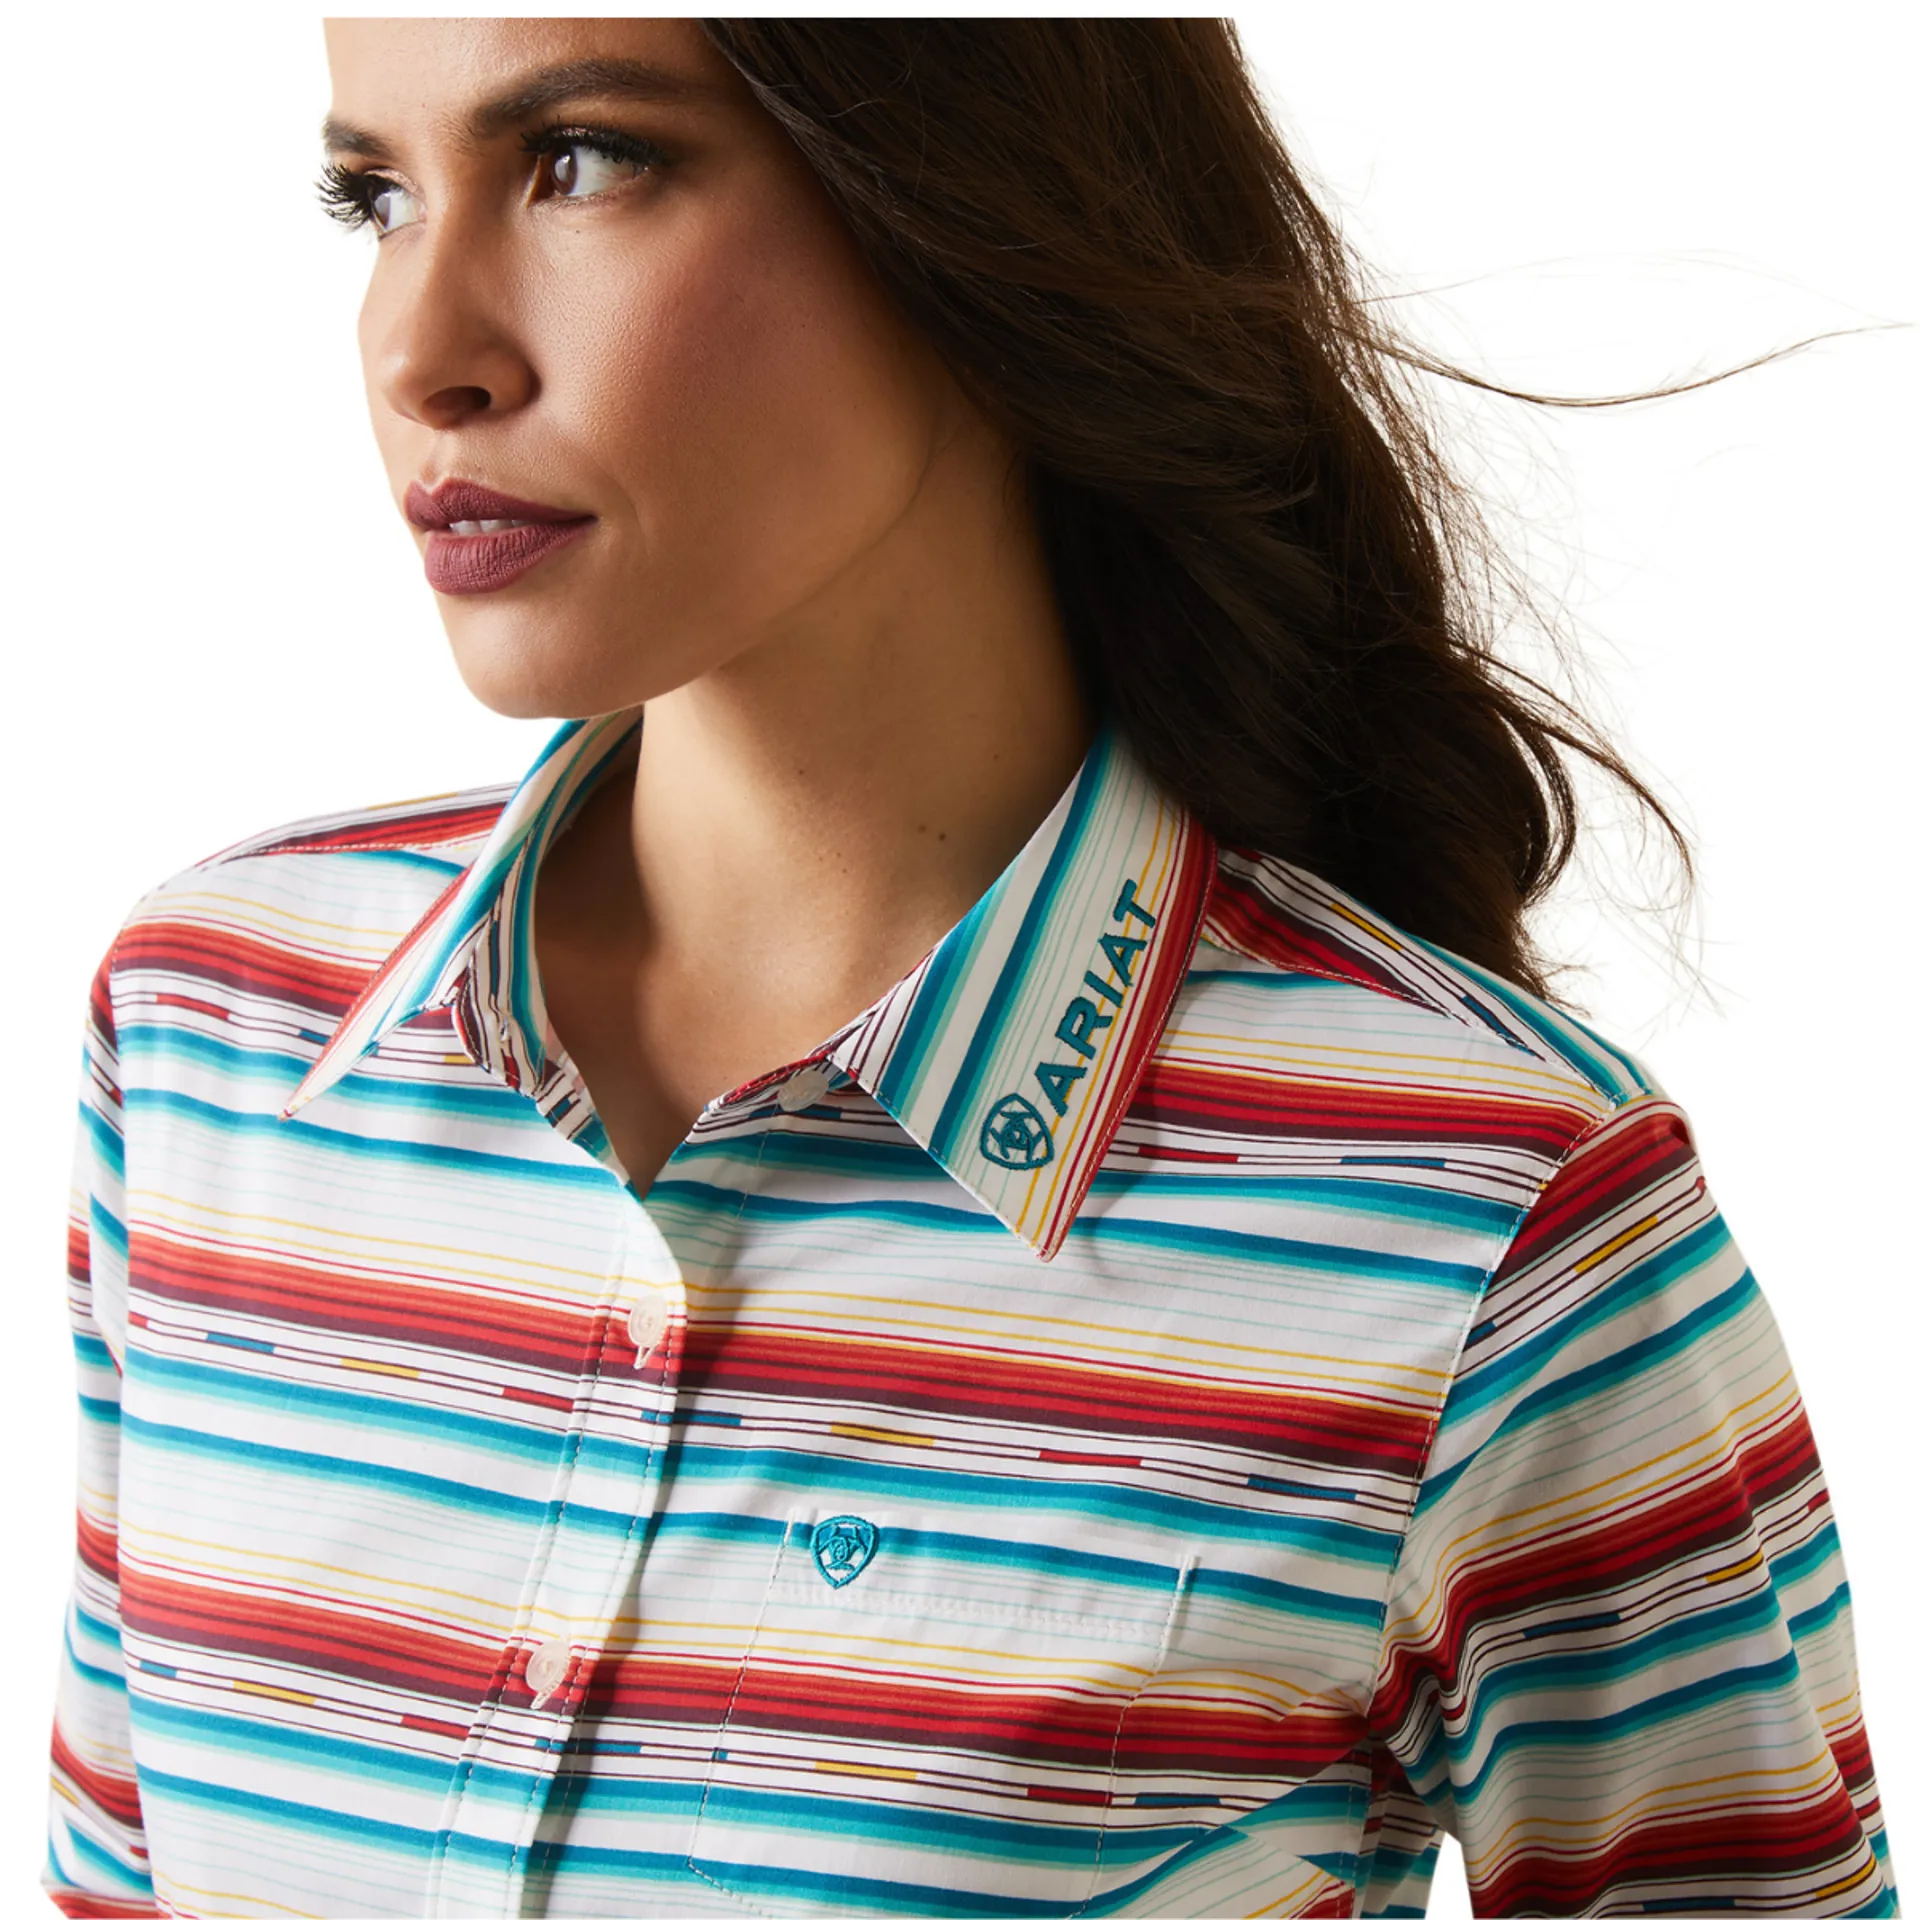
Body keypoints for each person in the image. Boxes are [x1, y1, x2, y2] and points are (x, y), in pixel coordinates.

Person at [41, 18, 1897, 1920]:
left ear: (971, 200)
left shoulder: (1501, 1221)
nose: (420, 351)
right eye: (375, 195)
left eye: (584, 160)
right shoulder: (208, 1041)